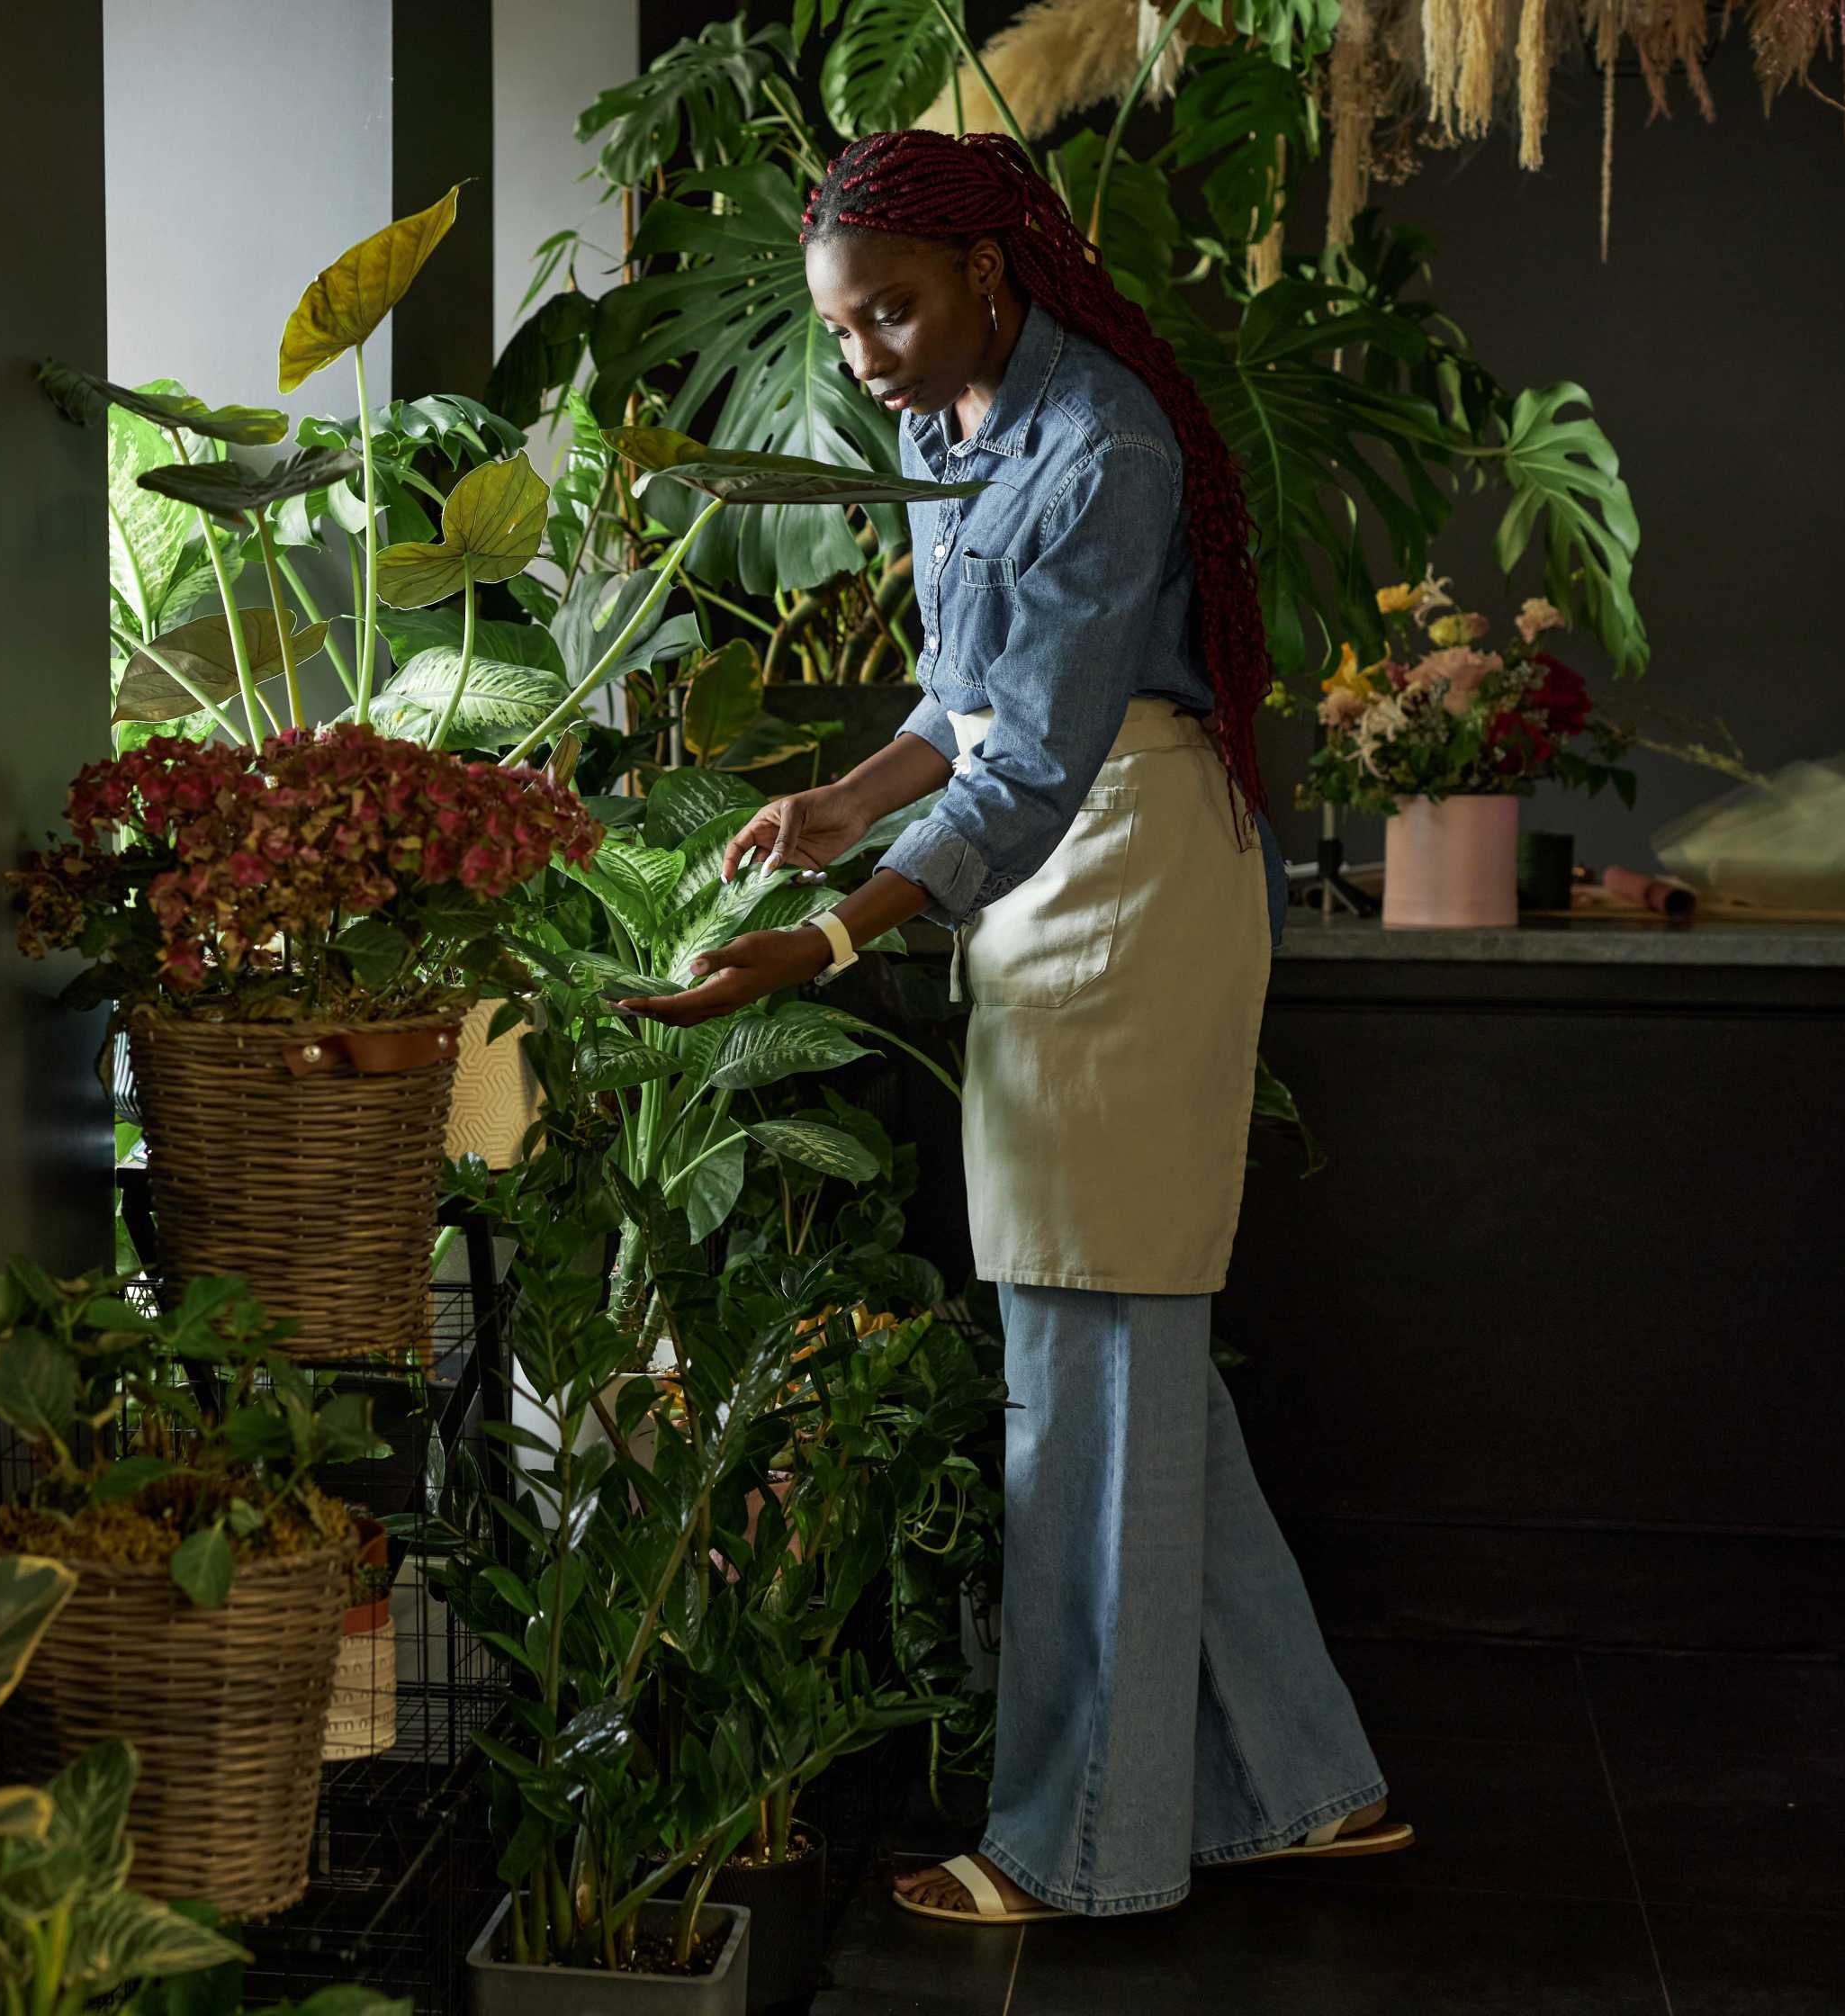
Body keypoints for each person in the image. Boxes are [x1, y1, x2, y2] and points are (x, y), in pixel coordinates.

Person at [620, 130, 1407, 1924]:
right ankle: (1307, 1775)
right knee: (1124, 1355)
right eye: (844, 329)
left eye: (891, 310)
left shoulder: (1107, 443)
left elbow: (1046, 756)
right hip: (1040, 866)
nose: (868, 355)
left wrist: (829, 936)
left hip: (1123, 873)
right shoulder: (946, 428)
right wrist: (844, 796)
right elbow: (969, 704)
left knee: (1093, 1370)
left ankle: (1084, 1844)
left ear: (992, 266)